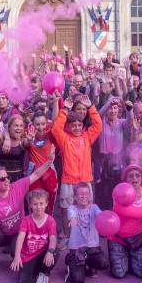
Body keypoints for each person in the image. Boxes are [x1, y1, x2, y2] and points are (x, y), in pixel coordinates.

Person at [0, 148, 56, 282]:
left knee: (17, 253)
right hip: (2, 234)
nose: (7, 180)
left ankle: (13, 250)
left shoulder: (18, 187)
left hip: (19, 233)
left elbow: (36, 174)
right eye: (2, 179)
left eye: (7, 177)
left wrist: (49, 161)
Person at [51, 94, 103, 238]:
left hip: (85, 181)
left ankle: (87, 236)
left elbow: (98, 125)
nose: (77, 128)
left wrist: (91, 107)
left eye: (79, 125)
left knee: (86, 209)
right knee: (66, 210)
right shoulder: (64, 139)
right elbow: (56, 129)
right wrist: (65, 110)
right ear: (68, 126)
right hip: (68, 181)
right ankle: (68, 238)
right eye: (73, 125)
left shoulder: (87, 137)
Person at [108, 164, 142, 280]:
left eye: (137, 176)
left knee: (141, 273)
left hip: (138, 239)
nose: (134, 179)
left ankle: (131, 257)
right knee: (119, 274)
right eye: (131, 176)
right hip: (118, 238)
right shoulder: (118, 192)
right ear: (125, 179)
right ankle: (124, 256)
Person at [10, 189, 58, 283]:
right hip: (28, 256)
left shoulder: (50, 220)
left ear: (46, 204)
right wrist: (17, 256)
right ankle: (34, 272)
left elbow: (53, 237)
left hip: (42, 254)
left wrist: (50, 251)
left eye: (41, 203)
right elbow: (20, 237)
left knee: (54, 251)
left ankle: (44, 273)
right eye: (35, 204)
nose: (38, 207)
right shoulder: (26, 220)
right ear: (30, 205)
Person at [64, 182, 108, 283]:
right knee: (78, 281)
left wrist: (107, 222)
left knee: (103, 263)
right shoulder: (72, 208)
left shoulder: (94, 207)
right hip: (77, 250)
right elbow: (72, 215)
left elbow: (101, 216)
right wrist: (73, 219)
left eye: (86, 193)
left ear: (89, 195)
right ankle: (71, 261)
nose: (84, 196)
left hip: (93, 248)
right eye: (80, 194)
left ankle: (88, 264)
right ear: (75, 196)